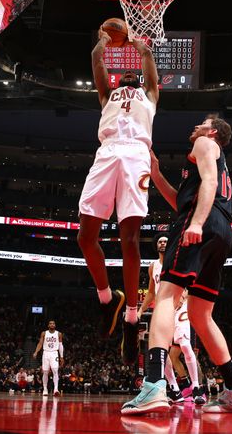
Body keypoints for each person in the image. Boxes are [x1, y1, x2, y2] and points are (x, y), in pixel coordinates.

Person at [122, 115, 232, 415]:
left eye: (201, 123)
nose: (194, 126)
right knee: (201, 314)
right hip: (221, 230)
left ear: (214, 131)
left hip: (201, 222)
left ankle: (153, 383)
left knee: (166, 295)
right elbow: (181, 198)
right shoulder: (212, 157)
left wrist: (195, 222)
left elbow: (207, 184)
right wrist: (155, 175)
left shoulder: (205, 143)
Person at [76, 28, 159, 366]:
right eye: (123, 73)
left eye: (133, 73)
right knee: (85, 237)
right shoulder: (107, 96)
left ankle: (131, 317)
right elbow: (96, 60)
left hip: (137, 155)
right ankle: (108, 298)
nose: (128, 74)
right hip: (107, 152)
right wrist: (103, 41)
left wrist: (140, 46)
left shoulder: (150, 96)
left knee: (130, 239)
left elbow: (149, 62)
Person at [137, 236, 203, 404]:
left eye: (166, 240)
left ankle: (196, 387)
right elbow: (151, 293)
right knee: (162, 352)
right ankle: (174, 389)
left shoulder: (178, 259)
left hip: (180, 307)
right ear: (156, 245)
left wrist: (185, 295)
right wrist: (140, 310)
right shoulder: (153, 267)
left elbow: (191, 283)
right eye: (159, 241)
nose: (163, 243)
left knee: (186, 347)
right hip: (163, 310)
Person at [32, 320, 64, 397]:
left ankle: (56, 389)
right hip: (46, 353)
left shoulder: (59, 334)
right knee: (45, 372)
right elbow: (40, 343)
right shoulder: (44, 333)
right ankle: (45, 389)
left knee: (55, 371)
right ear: (48, 325)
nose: (52, 324)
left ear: (55, 325)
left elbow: (60, 345)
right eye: (50, 323)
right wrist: (36, 352)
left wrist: (61, 356)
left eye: (53, 323)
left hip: (54, 353)